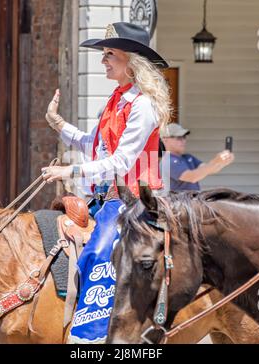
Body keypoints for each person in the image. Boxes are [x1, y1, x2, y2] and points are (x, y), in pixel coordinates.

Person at [41, 22, 172, 343]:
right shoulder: (117, 100)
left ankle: (94, 338)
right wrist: (58, 125)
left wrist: (68, 172)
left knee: (98, 253)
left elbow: (122, 162)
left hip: (138, 201)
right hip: (115, 200)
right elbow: (95, 145)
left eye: (110, 54)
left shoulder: (142, 105)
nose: (104, 61)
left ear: (133, 61)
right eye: (104, 54)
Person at [160, 123, 235, 191]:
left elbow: (208, 169)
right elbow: (192, 177)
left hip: (191, 203)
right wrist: (216, 161)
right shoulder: (167, 161)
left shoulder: (188, 157)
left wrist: (222, 162)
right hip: (178, 205)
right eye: (179, 138)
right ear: (165, 140)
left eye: (184, 137)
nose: (183, 141)